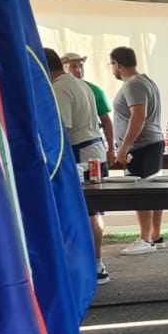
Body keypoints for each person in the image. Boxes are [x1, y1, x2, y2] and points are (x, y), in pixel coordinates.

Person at [47, 48, 108, 284]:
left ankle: (92, 264)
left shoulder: (60, 87)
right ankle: (95, 262)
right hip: (93, 151)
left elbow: (63, 128)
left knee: (87, 212)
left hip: (81, 154)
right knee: (94, 211)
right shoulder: (81, 85)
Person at [108, 46, 168, 255]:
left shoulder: (133, 84)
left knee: (142, 191)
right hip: (149, 143)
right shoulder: (146, 81)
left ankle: (145, 238)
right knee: (152, 189)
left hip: (142, 145)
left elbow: (138, 116)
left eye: (111, 65)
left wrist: (124, 147)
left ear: (117, 64)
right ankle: (155, 235)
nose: (112, 69)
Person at [62, 52, 114, 158]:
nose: (79, 70)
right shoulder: (61, 89)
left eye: (81, 66)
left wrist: (111, 149)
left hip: (89, 143)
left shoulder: (95, 90)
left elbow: (106, 121)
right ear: (63, 68)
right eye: (73, 66)